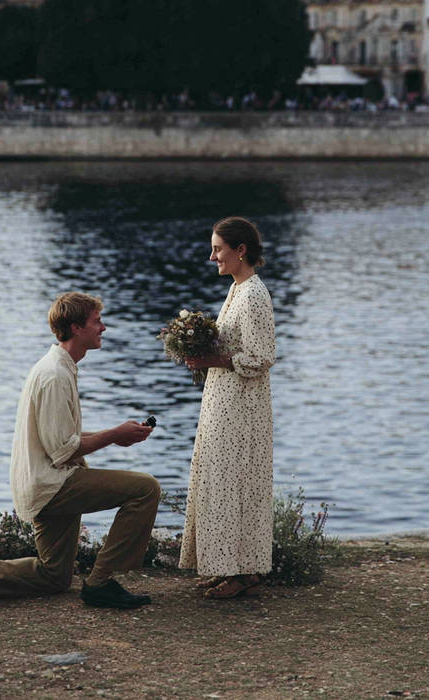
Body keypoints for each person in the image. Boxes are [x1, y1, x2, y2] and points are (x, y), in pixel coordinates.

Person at [0, 292, 161, 609]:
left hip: (43, 483)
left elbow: (59, 440)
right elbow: (62, 451)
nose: (104, 327)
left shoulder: (58, 366)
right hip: (52, 485)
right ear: (76, 327)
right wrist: (114, 434)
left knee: (54, 576)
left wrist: (118, 436)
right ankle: (101, 582)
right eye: (97, 321)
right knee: (146, 489)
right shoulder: (54, 375)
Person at [179, 217, 276, 598]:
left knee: (230, 482)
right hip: (226, 399)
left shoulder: (253, 294)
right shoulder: (238, 289)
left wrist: (211, 360)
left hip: (240, 405)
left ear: (241, 250)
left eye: (219, 249)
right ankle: (238, 567)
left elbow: (262, 356)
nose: (212, 256)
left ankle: (237, 572)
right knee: (228, 481)